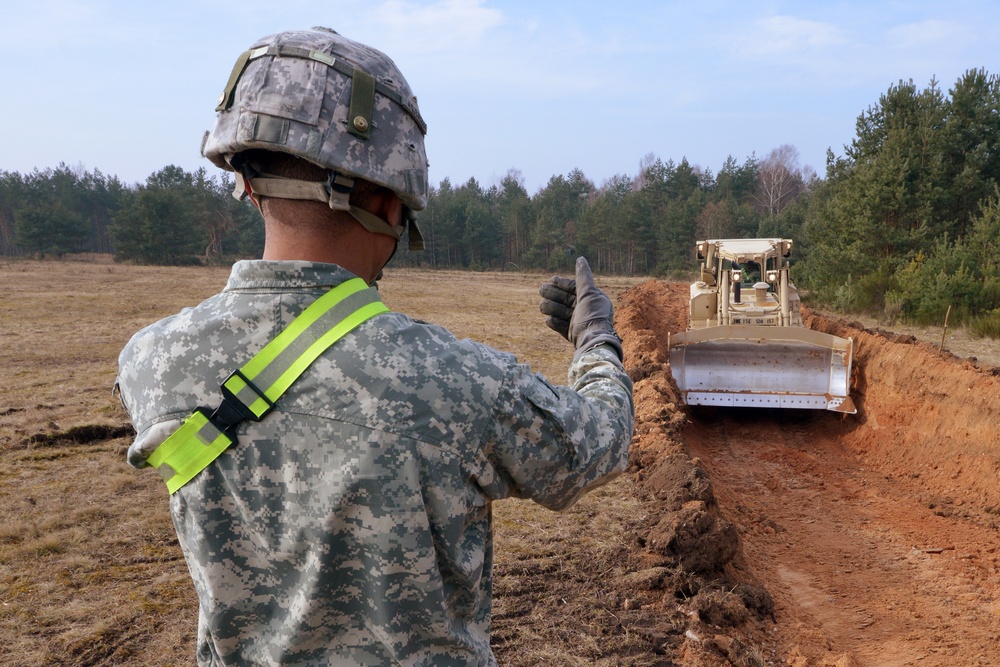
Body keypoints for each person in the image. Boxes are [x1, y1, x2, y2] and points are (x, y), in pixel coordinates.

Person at [116, 26, 633, 667]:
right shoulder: (456, 381)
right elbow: (599, 441)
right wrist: (595, 339)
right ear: (392, 202)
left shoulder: (149, 362)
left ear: (247, 184)